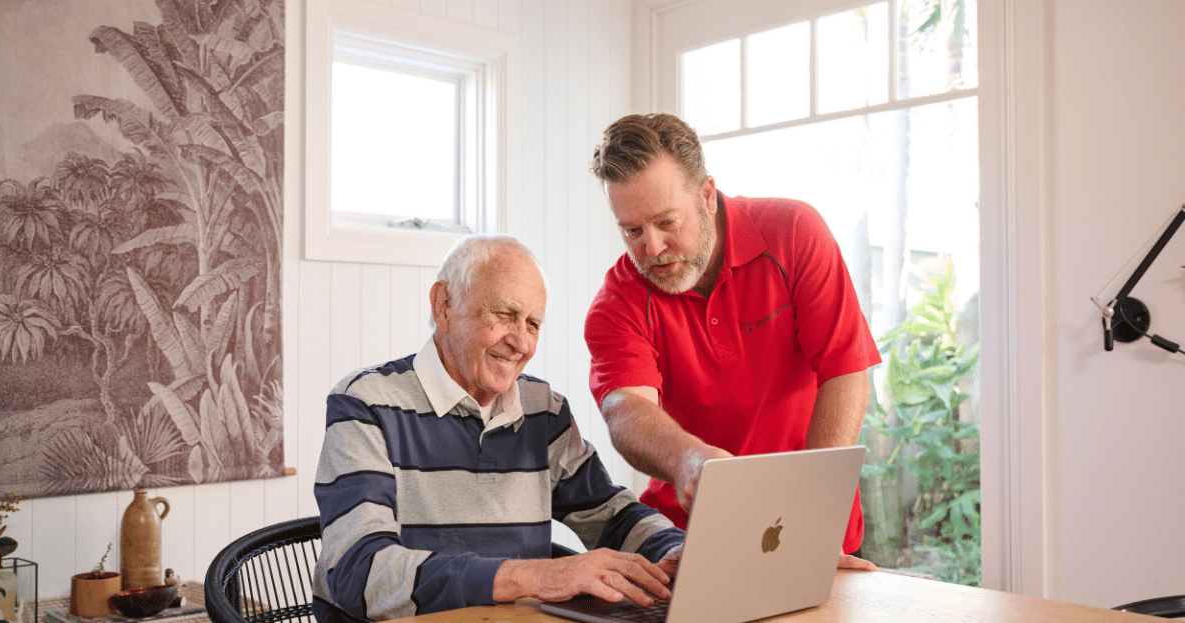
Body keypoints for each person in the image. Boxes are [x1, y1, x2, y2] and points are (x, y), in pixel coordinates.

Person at [311, 234, 685, 622]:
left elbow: (610, 514)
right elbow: (359, 573)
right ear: (444, 305)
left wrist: (676, 551)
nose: (520, 342)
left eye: (533, 323)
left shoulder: (544, 411)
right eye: (505, 314)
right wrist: (528, 576)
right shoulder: (366, 402)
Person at [584, 113, 881, 569]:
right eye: (633, 231)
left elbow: (845, 370)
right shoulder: (617, 302)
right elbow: (626, 411)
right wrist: (687, 459)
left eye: (667, 222)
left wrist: (814, 522)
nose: (654, 248)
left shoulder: (794, 233)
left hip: (818, 532)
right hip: (691, 542)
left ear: (706, 195)